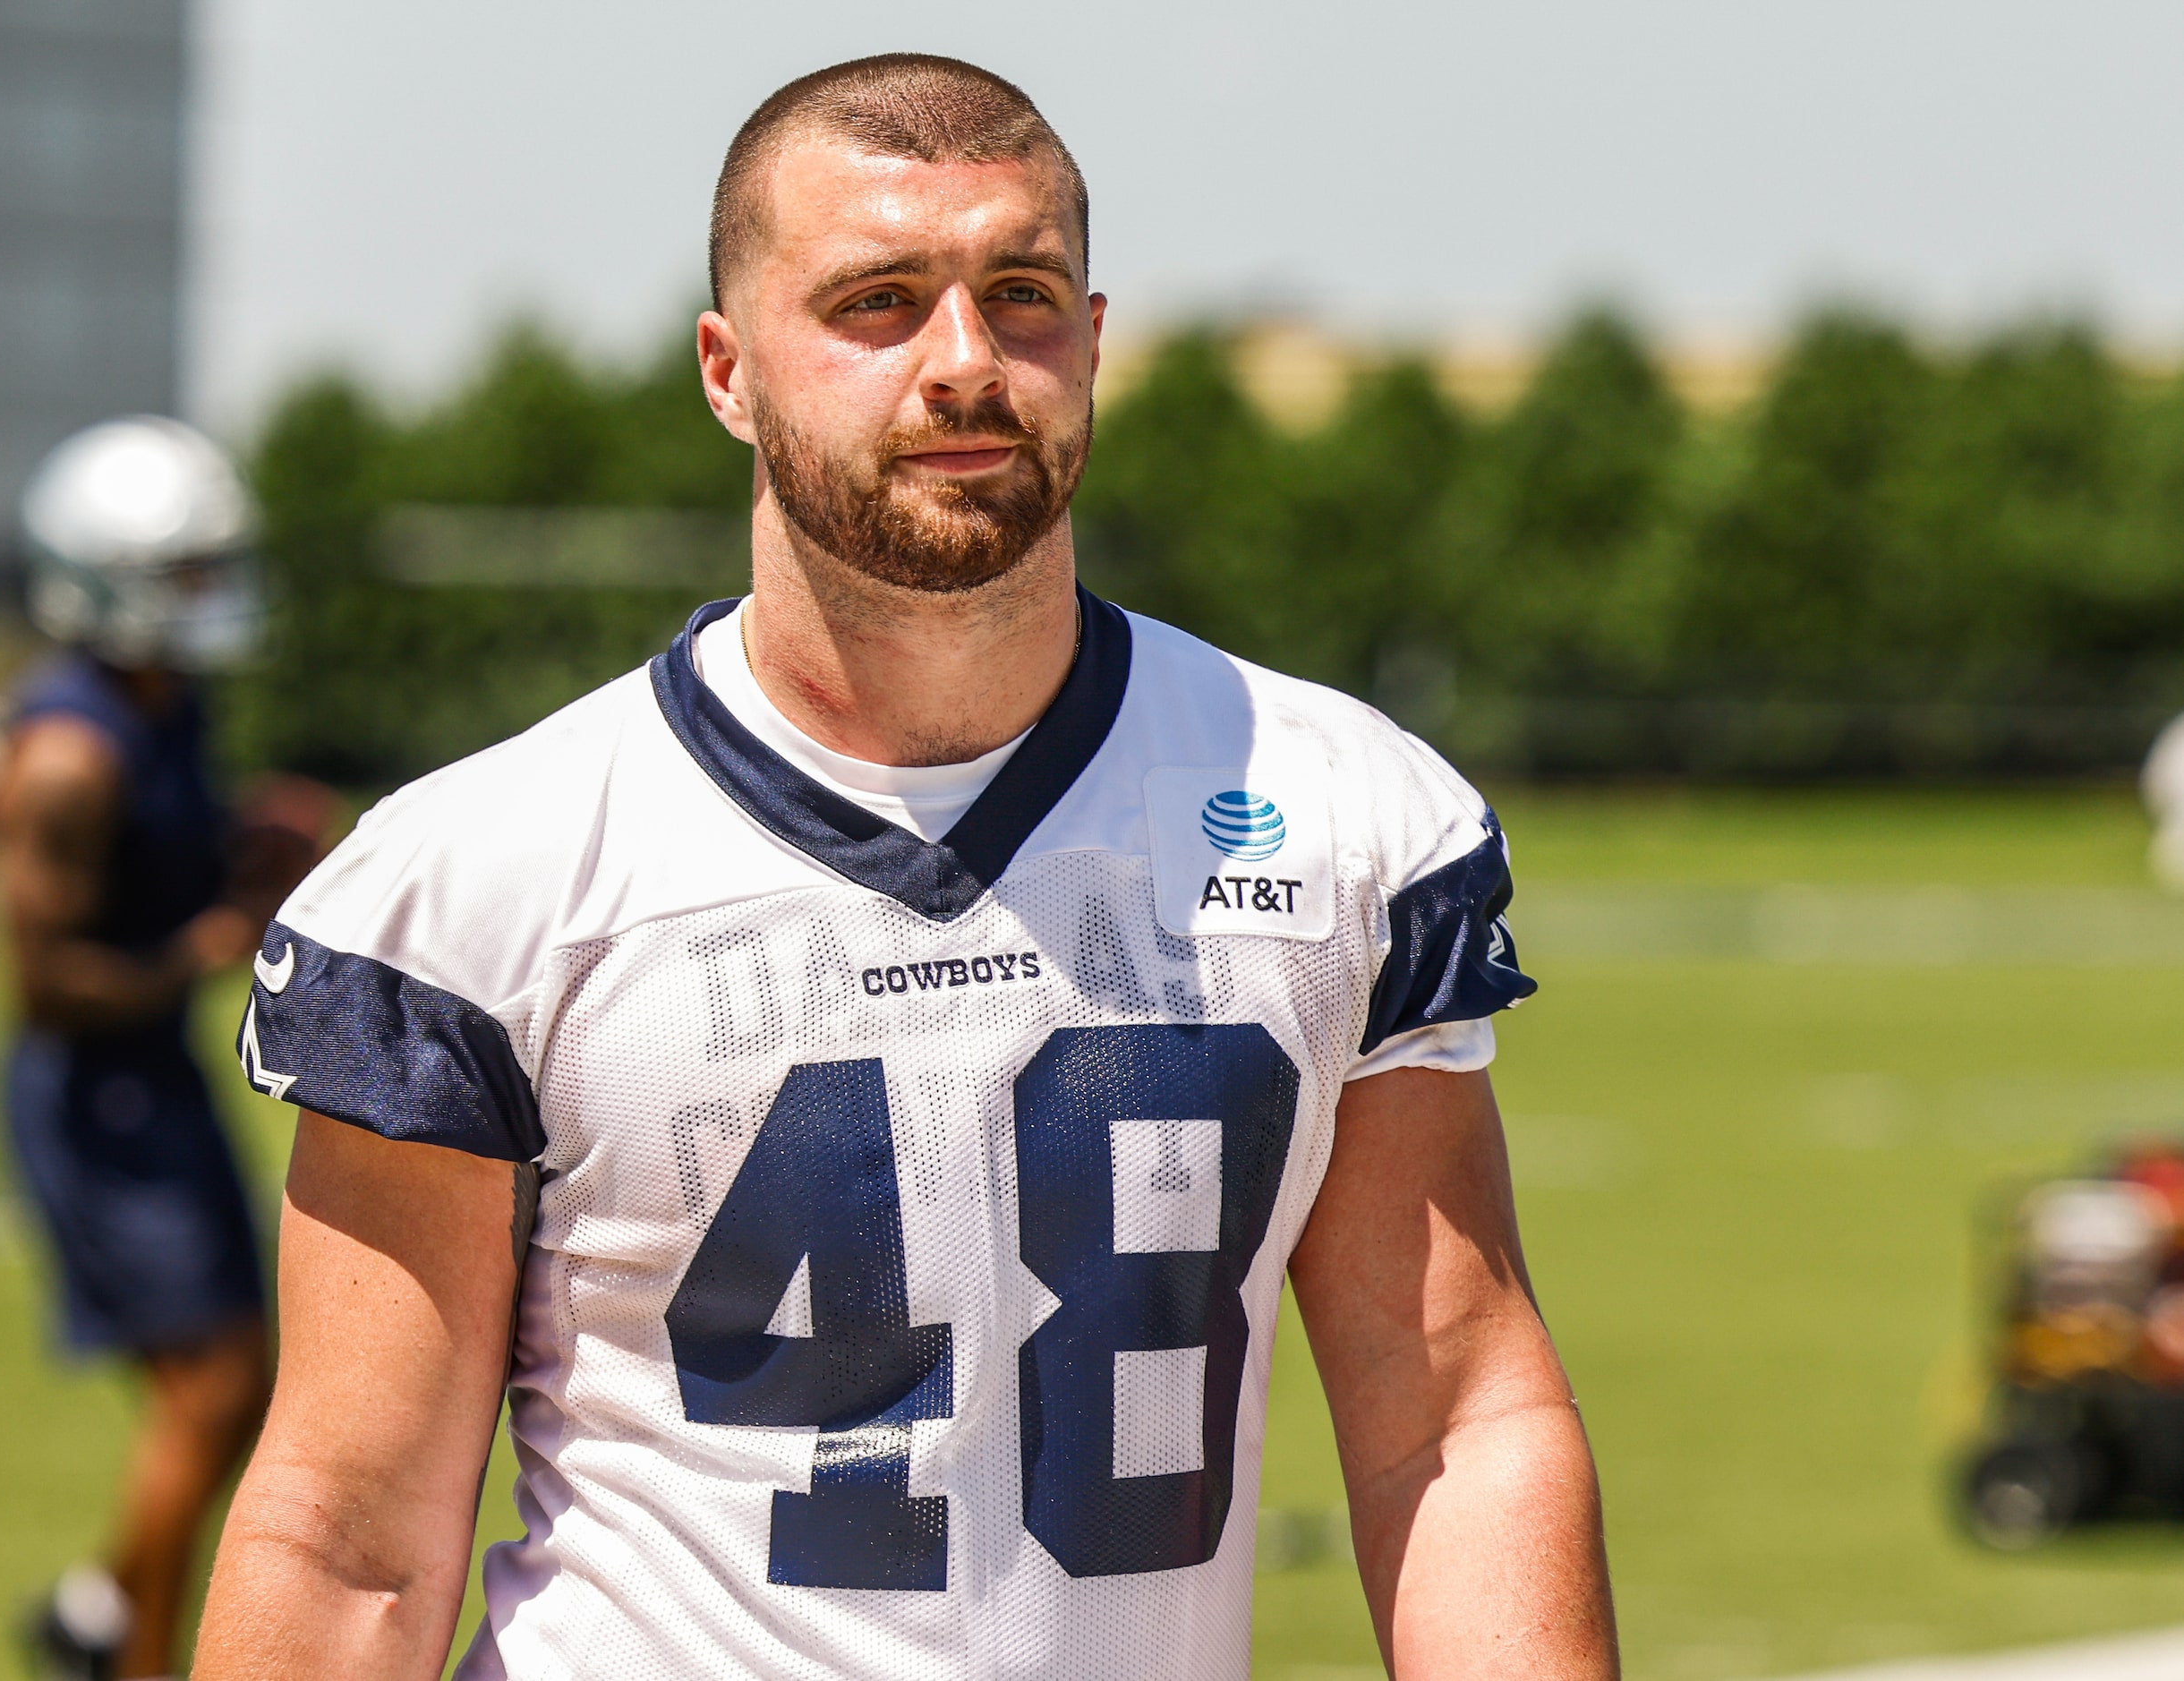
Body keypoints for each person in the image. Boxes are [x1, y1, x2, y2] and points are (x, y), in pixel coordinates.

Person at [200, 55, 1618, 1680]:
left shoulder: (1339, 809)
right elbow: (351, 1535)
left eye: (1017, 295)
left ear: (1090, 340)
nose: (964, 364)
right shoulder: (480, 878)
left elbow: (1451, 1419)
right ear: (728, 371)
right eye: (876, 301)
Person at [0, 418, 324, 1681]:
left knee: (236, 1387)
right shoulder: (64, 755)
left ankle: (92, 1612)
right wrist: (212, 941)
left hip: (155, 1074)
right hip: (93, 1093)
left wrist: (249, 842)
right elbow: (44, 982)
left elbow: (163, 871)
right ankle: (132, 1656)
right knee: (213, 1388)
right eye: (185, 571)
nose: (210, 595)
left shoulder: (166, 698)